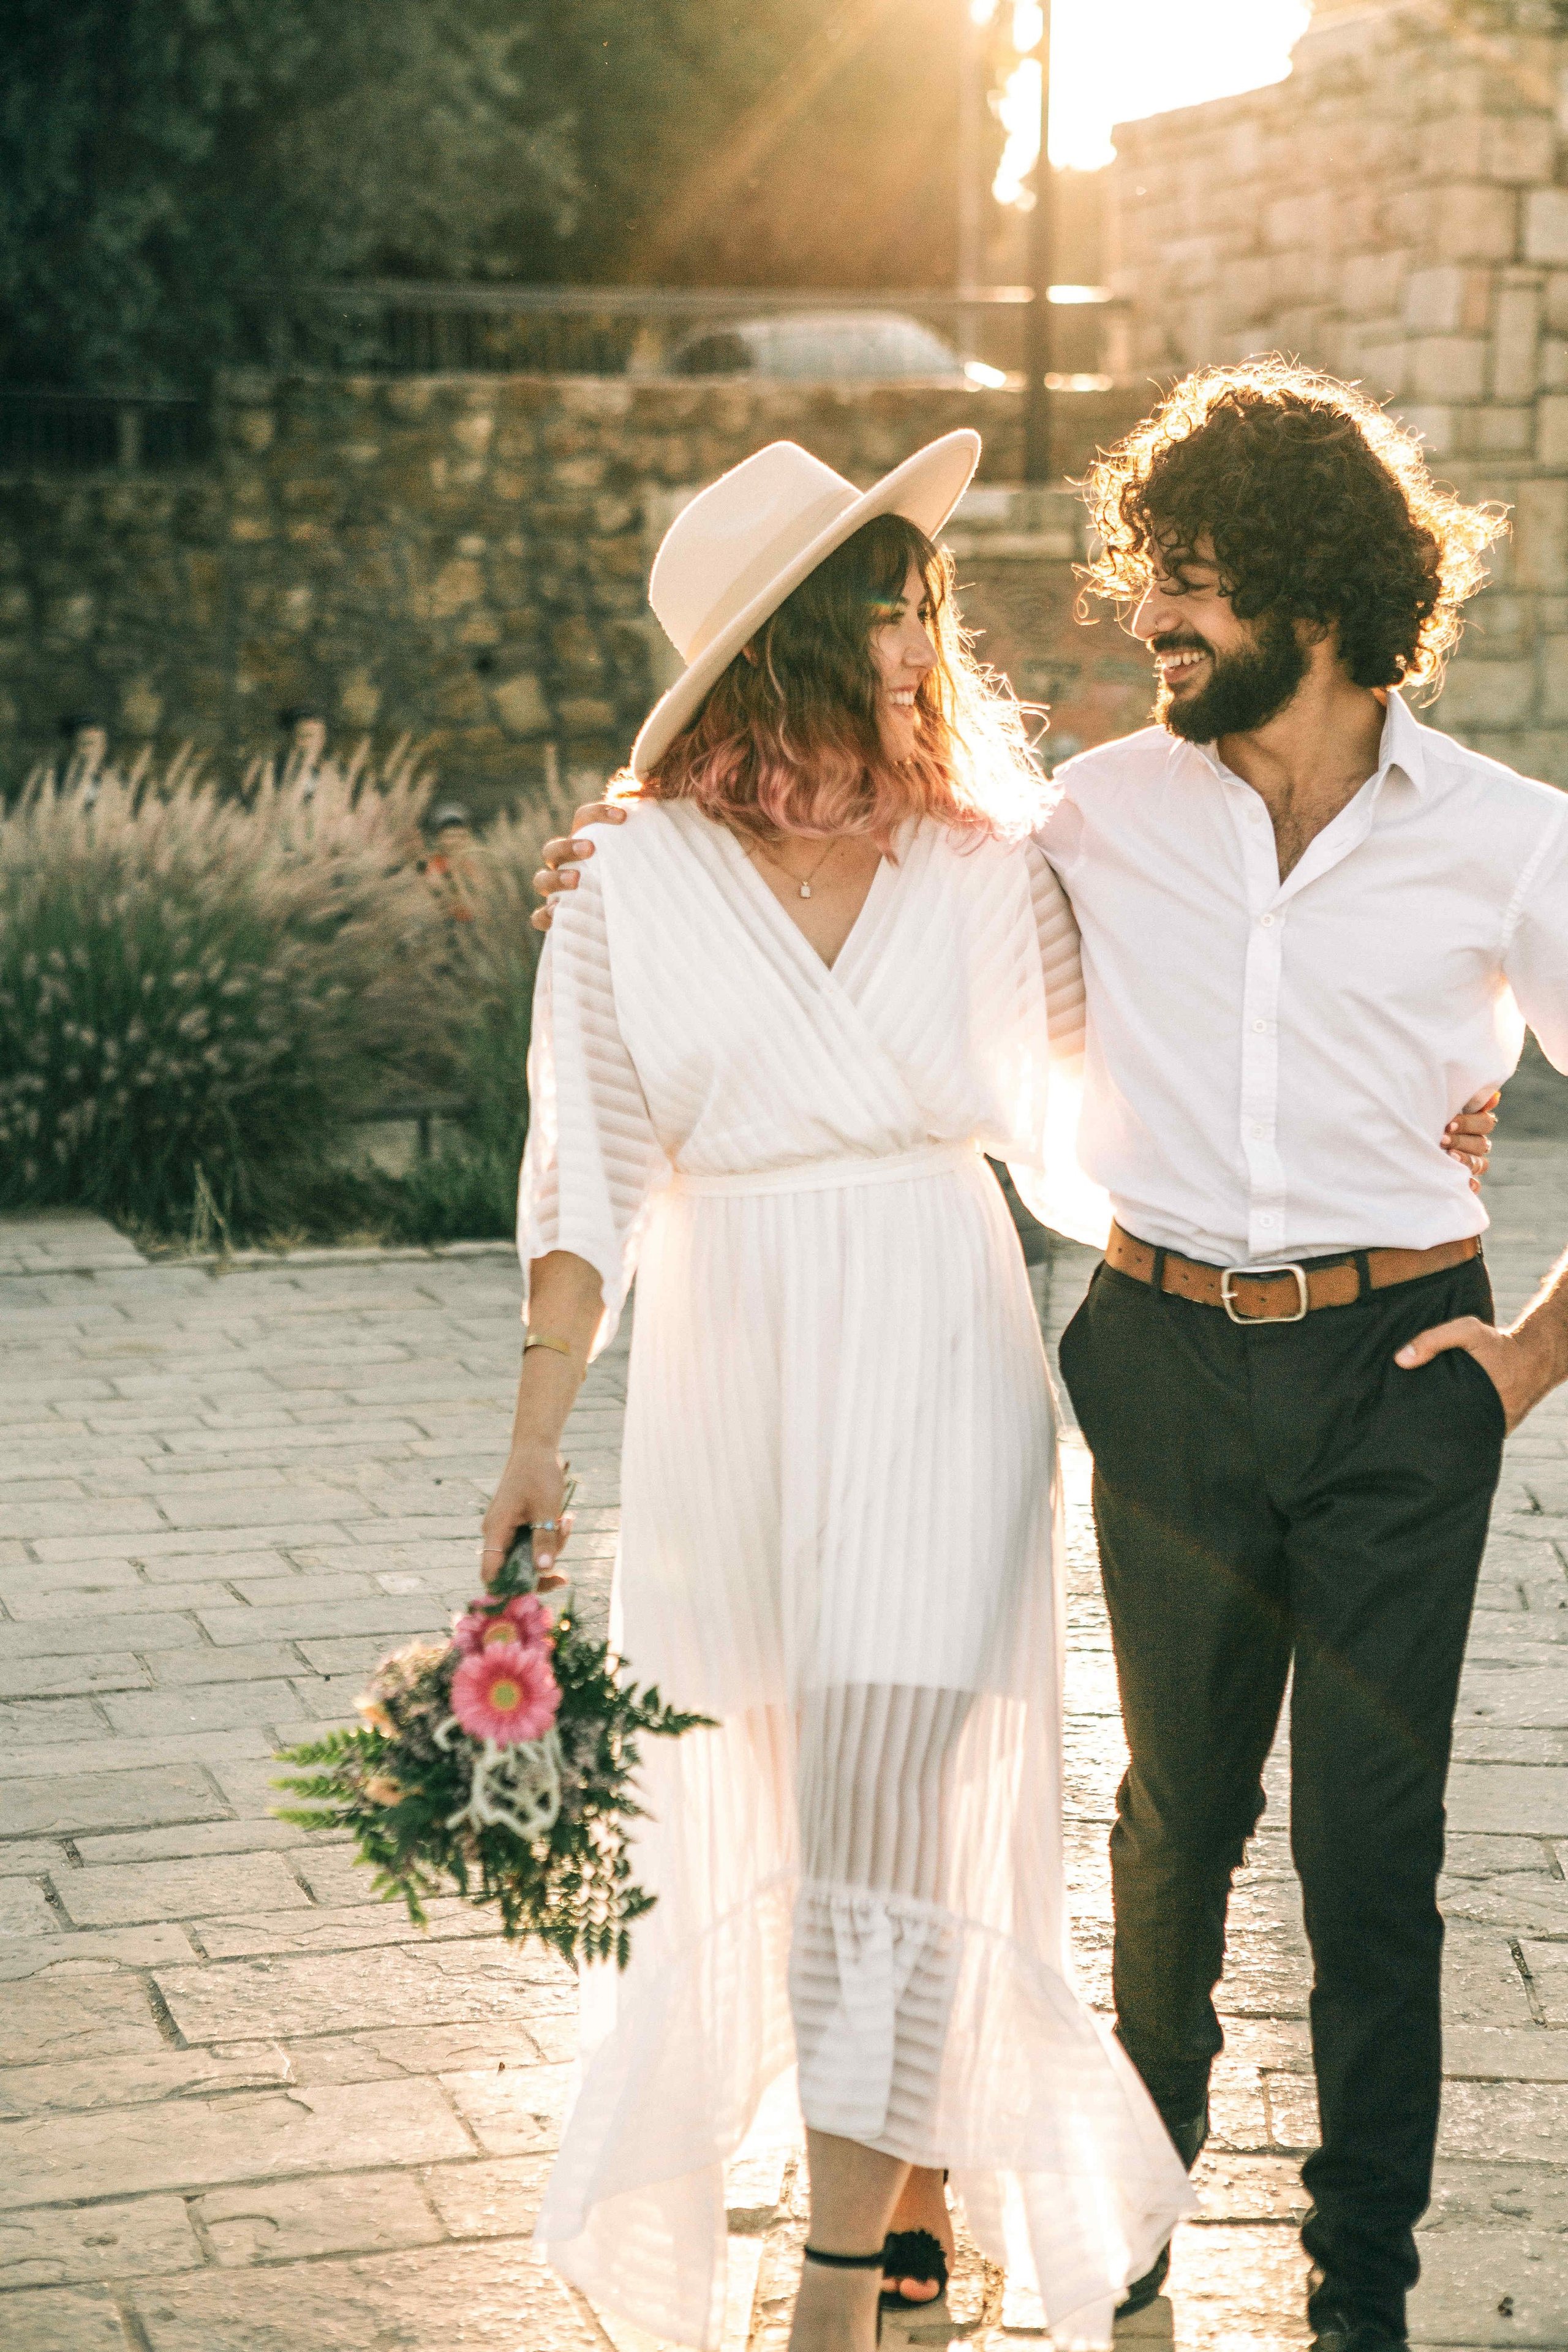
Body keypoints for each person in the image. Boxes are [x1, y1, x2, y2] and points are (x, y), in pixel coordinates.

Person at [533, 362, 1554, 2352]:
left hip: (1391, 1377)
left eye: (1192, 579)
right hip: (1153, 1359)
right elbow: (874, 901)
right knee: (1169, 1826)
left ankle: (1355, 2292)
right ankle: (1120, 2246)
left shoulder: (1506, 840)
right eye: (1147, 572)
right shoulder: (1091, 815)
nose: (1144, 613)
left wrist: (1522, 1359)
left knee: (1372, 1847)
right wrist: (626, 867)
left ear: (1318, 592)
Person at [486, 430, 1197, 2352]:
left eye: (923, 597)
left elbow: (1114, 1107)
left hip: (938, 1348)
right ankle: (917, 2206)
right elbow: (585, 1175)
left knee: (882, 1798)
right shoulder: (627, 877)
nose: (917, 631)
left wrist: (1385, 1119)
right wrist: (535, 1439)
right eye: (880, 599)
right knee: (810, 1828)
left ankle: (825, 2289)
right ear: (782, 638)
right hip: (729, 1380)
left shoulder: (988, 861)